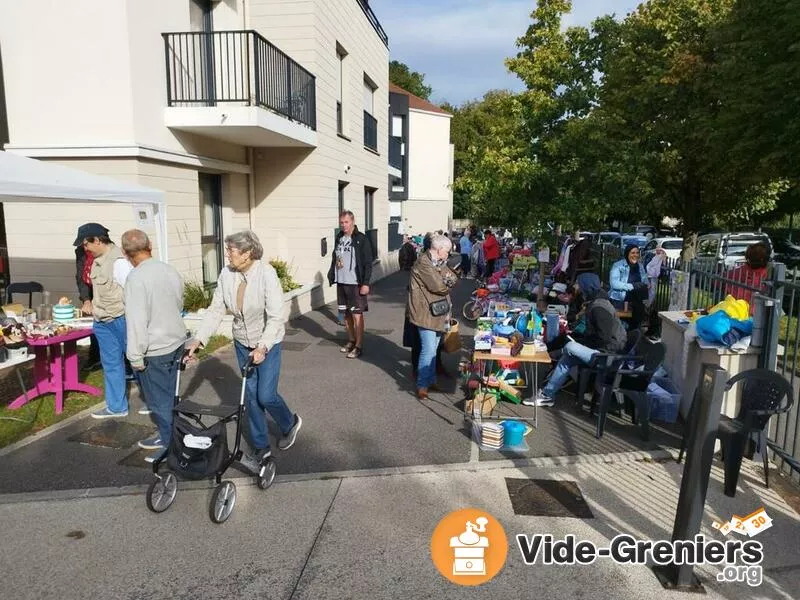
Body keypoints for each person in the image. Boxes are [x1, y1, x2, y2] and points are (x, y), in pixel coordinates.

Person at [187, 230, 302, 473]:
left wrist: (263, 346)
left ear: (248, 253)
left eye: (231, 250)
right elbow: (217, 309)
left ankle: (289, 423)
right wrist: (199, 338)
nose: (227, 254)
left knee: (265, 396)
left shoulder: (266, 275)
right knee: (250, 396)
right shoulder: (227, 274)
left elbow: (275, 316)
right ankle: (261, 447)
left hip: (266, 343)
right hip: (242, 342)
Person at [121, 230, 187, 462]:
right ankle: (172, 439)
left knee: (160, 403)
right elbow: (180, 301)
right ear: (150, 245)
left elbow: (137, 320)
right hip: (176, 340)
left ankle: (173, 452)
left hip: (155, 349)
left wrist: (134, 356)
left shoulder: (136, 279)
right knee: (171, 398)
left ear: (124, 253)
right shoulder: (169, 270)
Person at [527, 273, 627, 407]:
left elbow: (605, 338)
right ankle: (547, 394)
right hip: (602, 351)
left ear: (586, 286)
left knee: (570, 347)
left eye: (578, 284)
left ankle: (548, 391)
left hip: (607, 355)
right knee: (567, 358)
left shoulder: (599, 307)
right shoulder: (596, 302)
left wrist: (582, 344)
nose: (576, 286)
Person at [75, 223, 133, 419]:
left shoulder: (119, 262)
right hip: (102, 321)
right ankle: (117, 407)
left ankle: (156, 404)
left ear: (97, 240)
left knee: (138, 361)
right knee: (111, 365)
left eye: (85, 244)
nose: (84, 248)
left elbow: (134, 293)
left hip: (121, 320)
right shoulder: (97, 260)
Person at [407, 235, 457, 399]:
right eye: (447, 251)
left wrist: (446, 280)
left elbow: (453, 278)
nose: (448, 254)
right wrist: (446, 281)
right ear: (439, 249)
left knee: (433, 349)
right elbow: (440, 286)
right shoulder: (424, 263)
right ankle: (422, 385)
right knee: (428, 350)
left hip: (437, 310)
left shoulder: (438, 263)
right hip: (425, 312)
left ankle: (431, 379)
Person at [327, 210, 373, 359]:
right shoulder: (339, 238)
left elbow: (367, 263)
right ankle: (351, 340)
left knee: (356, 315)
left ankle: (359, 346)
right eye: (341, 222)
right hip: (341, 281)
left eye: (346, 222)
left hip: (355, 283)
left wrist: (365, 283)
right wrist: (332, 275)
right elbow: (336, 258)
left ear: (352, 222)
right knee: (345, 314)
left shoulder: (361, 239)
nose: (344, 225)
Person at [75, 234, 102, 371]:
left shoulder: (107, 252)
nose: (84, 248)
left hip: (105, 289)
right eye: (82, 245)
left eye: (86, 244)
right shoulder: (81, 252)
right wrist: (86, 300)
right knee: (93, 324)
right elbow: (80, 276)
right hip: (90, 289)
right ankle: (95, 357)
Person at [609, 244, 648, 330]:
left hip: (637, 301)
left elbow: (645, 280)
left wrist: (646, 284)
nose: (635, 255)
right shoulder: (618, 266)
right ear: (627, 254)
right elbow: (614, 283)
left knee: (635, 326)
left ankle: (632, 341)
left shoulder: (640, 266)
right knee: (622, 327)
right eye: (632, 253)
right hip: (621, 301)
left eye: (637, 253)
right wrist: (632, 286)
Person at [724, 242, 769, 312]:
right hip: (757, 314)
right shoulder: (767, 275)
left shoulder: (738, 271)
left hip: (736, 310)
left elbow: (720, 280)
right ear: (764, 259)